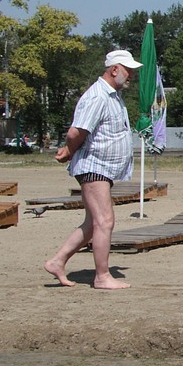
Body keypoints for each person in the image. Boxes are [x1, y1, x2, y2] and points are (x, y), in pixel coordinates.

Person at [43, 49, 142, 290]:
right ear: (114, 69)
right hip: (94, 165)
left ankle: (57, 261)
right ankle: (102, 276)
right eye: (128, 70)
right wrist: (69, 150)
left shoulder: (112, 95)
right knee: (105, 221)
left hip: (102, 167)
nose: (131, 75)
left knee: (93, 223)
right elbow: (76, 131)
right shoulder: (98, 96)